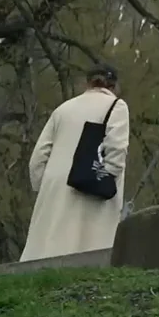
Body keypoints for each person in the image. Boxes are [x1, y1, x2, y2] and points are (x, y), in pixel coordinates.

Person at [21, 65, 129, 261]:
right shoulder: (117, 106)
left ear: (87, 83)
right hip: (89, 184)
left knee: (48, 245)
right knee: (86, 245)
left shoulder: (63, 109)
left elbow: (38, 158)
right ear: (114, 86)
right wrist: (105, 181)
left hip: (54, 185)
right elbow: (116, 151)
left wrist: (43, 187)